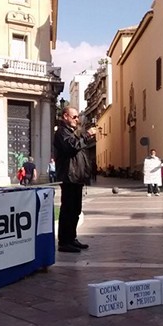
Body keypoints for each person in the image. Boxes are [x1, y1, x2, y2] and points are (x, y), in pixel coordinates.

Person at [53, 106, 96, 253]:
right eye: (74, 117)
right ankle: (64, 242)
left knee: (75, 210)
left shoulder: (71, 132)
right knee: (68, 210)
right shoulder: (61, 132)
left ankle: (72, 238)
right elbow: (71, 147)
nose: (77, 120)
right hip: (69, 177)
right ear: (65, 116)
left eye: (77, 117)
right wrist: (86, 135)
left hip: (76, 177)